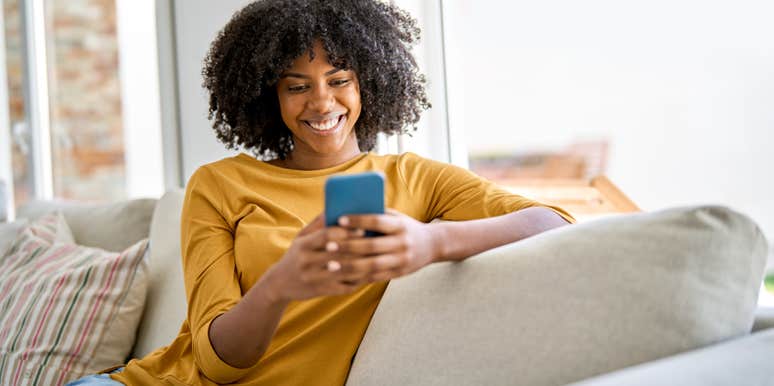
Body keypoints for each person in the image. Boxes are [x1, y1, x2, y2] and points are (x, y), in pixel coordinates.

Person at [67, 0, 573, 385]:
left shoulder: (415, 178)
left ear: (368, 83)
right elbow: (217, 364)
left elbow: (553, 222)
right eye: (297, 86)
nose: (322, 102)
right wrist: (281, 282)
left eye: (339, 79)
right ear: (270, 97)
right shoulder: (220, 184)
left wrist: (431, 242)